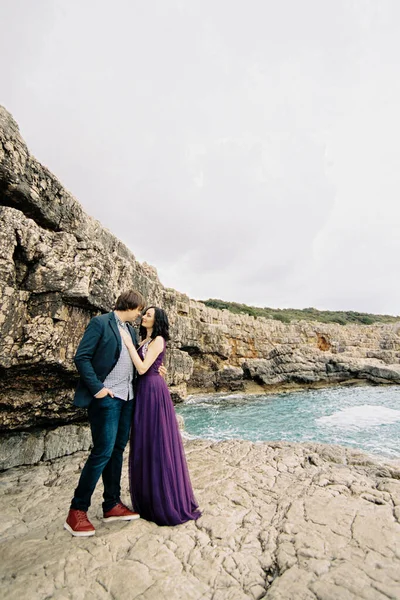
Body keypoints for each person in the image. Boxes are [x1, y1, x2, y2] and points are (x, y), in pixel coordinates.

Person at [64, 290, 149, 537]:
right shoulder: (100, 323)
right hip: (107, 399)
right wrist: (99, 390)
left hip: (128, 399)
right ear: (132, 306)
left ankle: (111, 504)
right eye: (139, 310)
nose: (140, 315)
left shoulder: (131, 330)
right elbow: (82, 358)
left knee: (117, 451)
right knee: (102, 451)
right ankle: (76, 511)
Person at [119, 306, 201, 526]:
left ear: (157, 321)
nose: (144, 316)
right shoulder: (144, 341)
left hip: (153, 391)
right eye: (145, 313)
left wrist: (129, 346)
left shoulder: (158, 340)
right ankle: (147, 500)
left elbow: (144, 368)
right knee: (144, 442)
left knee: (157, 442)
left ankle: (164, 501)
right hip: (144, 390)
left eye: (149, 315)